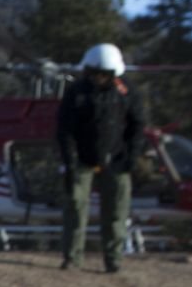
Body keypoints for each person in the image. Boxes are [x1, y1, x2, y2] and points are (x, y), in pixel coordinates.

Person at [56, 42, 143, 274]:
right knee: (75, 207)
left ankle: (114, 260)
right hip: (82, 160)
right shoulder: (76, 92)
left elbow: (137, 126)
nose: (99, 78)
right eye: (95, 73)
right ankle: (72, 257)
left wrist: (131, 157)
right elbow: (64, 130)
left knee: (116, 212)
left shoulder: (127, 92)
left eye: (104, 74)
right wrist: (70, 161)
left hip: (117, 160)